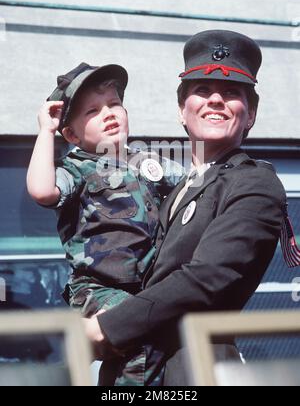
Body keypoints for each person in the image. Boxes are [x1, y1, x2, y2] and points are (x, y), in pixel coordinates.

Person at [83, 30, 289, 386]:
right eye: (202, 91)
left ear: (251, 114)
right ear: (182, 110)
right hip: (137, 368)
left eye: (231, 94)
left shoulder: (254, 183)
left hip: (194, 369)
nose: (215, 101)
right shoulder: (177, 187)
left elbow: (205, 278)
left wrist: (108, 327)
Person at [26, 62, 184, 386]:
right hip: (98, 289)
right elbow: (42, 191)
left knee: (165, 345)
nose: (109, 113)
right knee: (142, 334)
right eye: (93, 112)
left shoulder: (148, 161)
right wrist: (46, 130)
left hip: (147, 288)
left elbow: (195, 184)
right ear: (71, 134)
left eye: (114, 104)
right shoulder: (79, 167)